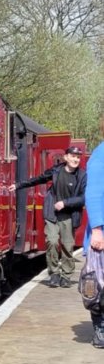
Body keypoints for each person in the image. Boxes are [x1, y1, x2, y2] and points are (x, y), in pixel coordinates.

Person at [9, 146, 87, 287]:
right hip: (52, 212)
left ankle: (67, 276)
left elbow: (83, 197)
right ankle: (54, 273)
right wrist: (18, 185)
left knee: (67, 246)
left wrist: (65, 203)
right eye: (73, 156)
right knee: (52, 241)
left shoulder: (82, 175)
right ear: (66, 157)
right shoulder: (56, 170)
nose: (76, 159)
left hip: (69, 215)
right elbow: (38, 179)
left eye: (78, 157)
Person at [84, 117, 104, 348]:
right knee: (97, 283)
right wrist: (97, 229)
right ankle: (100, 327)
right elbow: (95, 193)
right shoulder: (100, 155)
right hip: (103, 231)